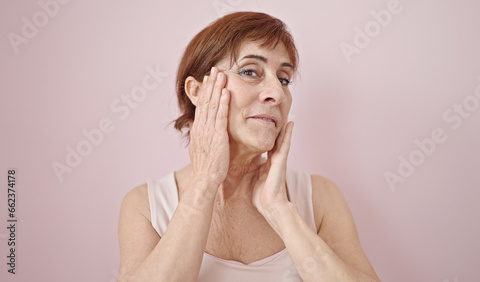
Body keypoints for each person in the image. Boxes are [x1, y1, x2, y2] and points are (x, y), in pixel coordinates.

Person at [118, 11, 380, 282]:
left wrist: (279, 210)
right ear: (197, 92)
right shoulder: (145, 206)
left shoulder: (320, 198)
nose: (277, 94)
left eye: (284, 78)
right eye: (250, 71)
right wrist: (204, 184)